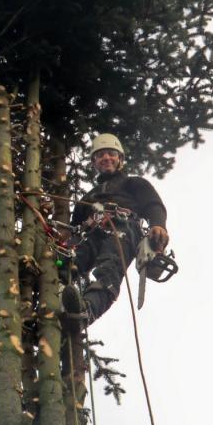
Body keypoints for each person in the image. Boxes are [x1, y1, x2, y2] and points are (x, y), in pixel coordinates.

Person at [62, 133, 169, 325]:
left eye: (111, 153)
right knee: (67, 263)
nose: (106, 158)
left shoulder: (133, 183)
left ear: (120, 159)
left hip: (124, 228)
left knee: (109, 266)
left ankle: (87, 310)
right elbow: (73, 229)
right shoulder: (87, 198)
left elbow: (153, 204)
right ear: (94, 162)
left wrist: (158, 225)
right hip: (90, 235)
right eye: (100, 155)